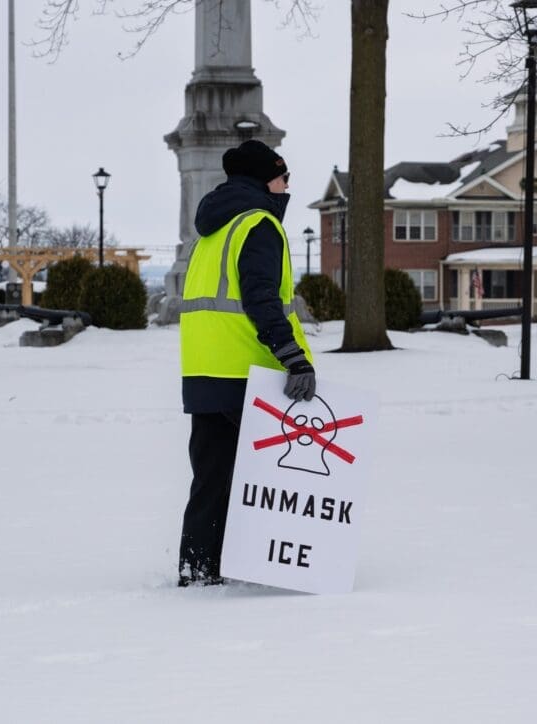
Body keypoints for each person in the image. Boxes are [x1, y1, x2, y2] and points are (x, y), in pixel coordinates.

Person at [177, 139, 316, 587]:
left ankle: (198, 571)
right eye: (283, 177)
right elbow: (261, 299)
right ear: (265, 179)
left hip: (204, 370)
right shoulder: (258, 225)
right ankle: (259, 565)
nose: (288, 186)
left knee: (211, 481)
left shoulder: (213, 228)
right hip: (249, 374)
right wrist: (294, 358)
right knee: (266, 482)